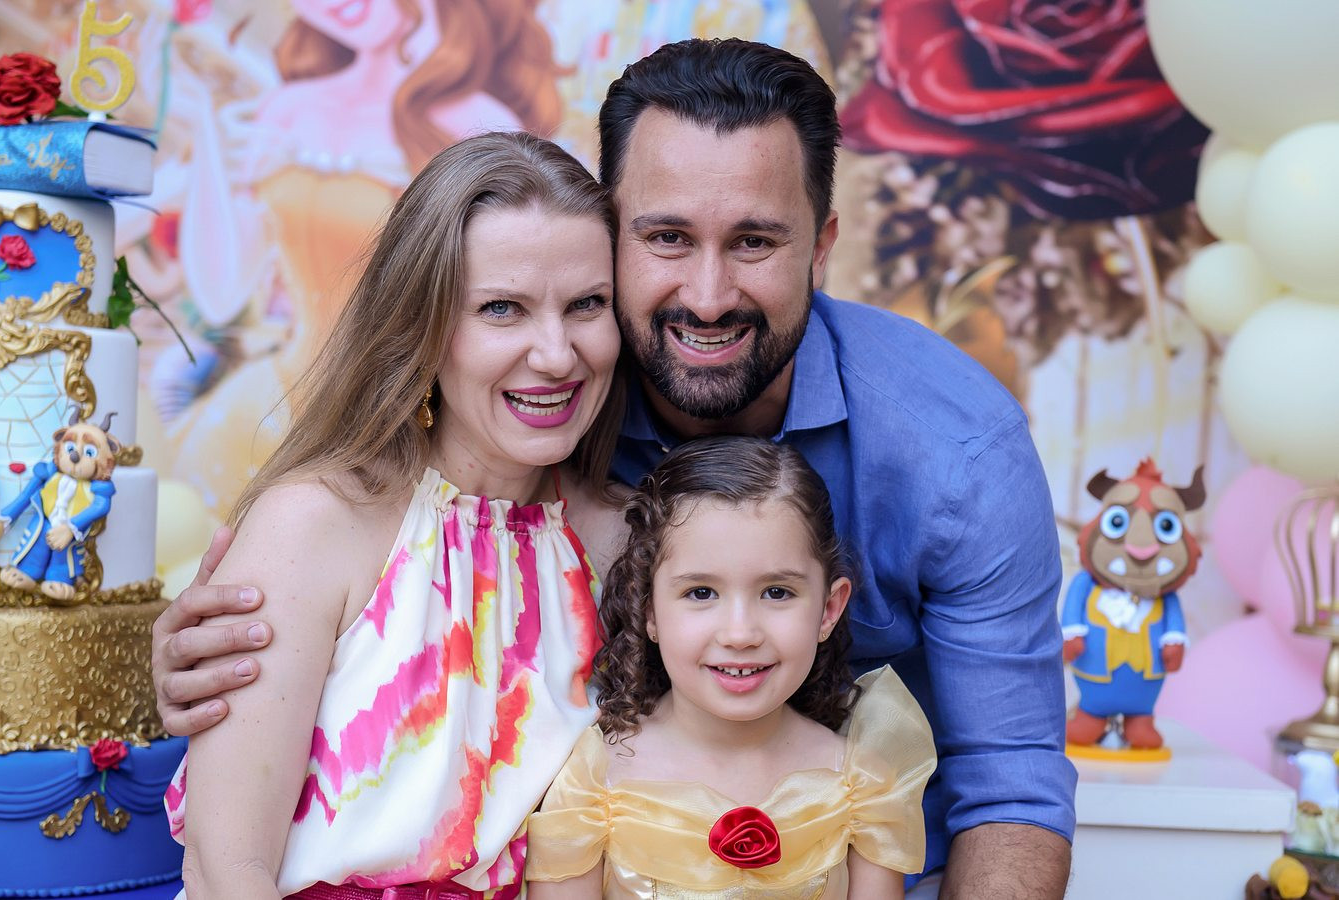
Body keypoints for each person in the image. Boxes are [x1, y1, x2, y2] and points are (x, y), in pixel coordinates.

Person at [152, 38, 1077, 899]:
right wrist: (212, 664)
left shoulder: (947, 457)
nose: (706, 298)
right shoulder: (476, 445)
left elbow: (1012, 787)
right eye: (667, 237)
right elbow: (236, 847)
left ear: (822, 246)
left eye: (754, 241)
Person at [165, 131, 625, 897]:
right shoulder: (312, 526)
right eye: (502, 308)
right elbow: (228, 867)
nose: (556, 354)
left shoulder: (620, 543)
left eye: (587, 305)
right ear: (423, 325)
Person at [162, 0, 562, 519]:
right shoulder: (289, 108)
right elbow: (221, 294)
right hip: (271, 406)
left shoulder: (479, 124)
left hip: (406, 430)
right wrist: (207, 128)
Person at [525, 436, 936, 899]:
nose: (740, 634)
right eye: (701, 593)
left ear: (828, 609)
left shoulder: (863, 785)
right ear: (649, 610)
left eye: (776, 592)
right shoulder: (593, 783)